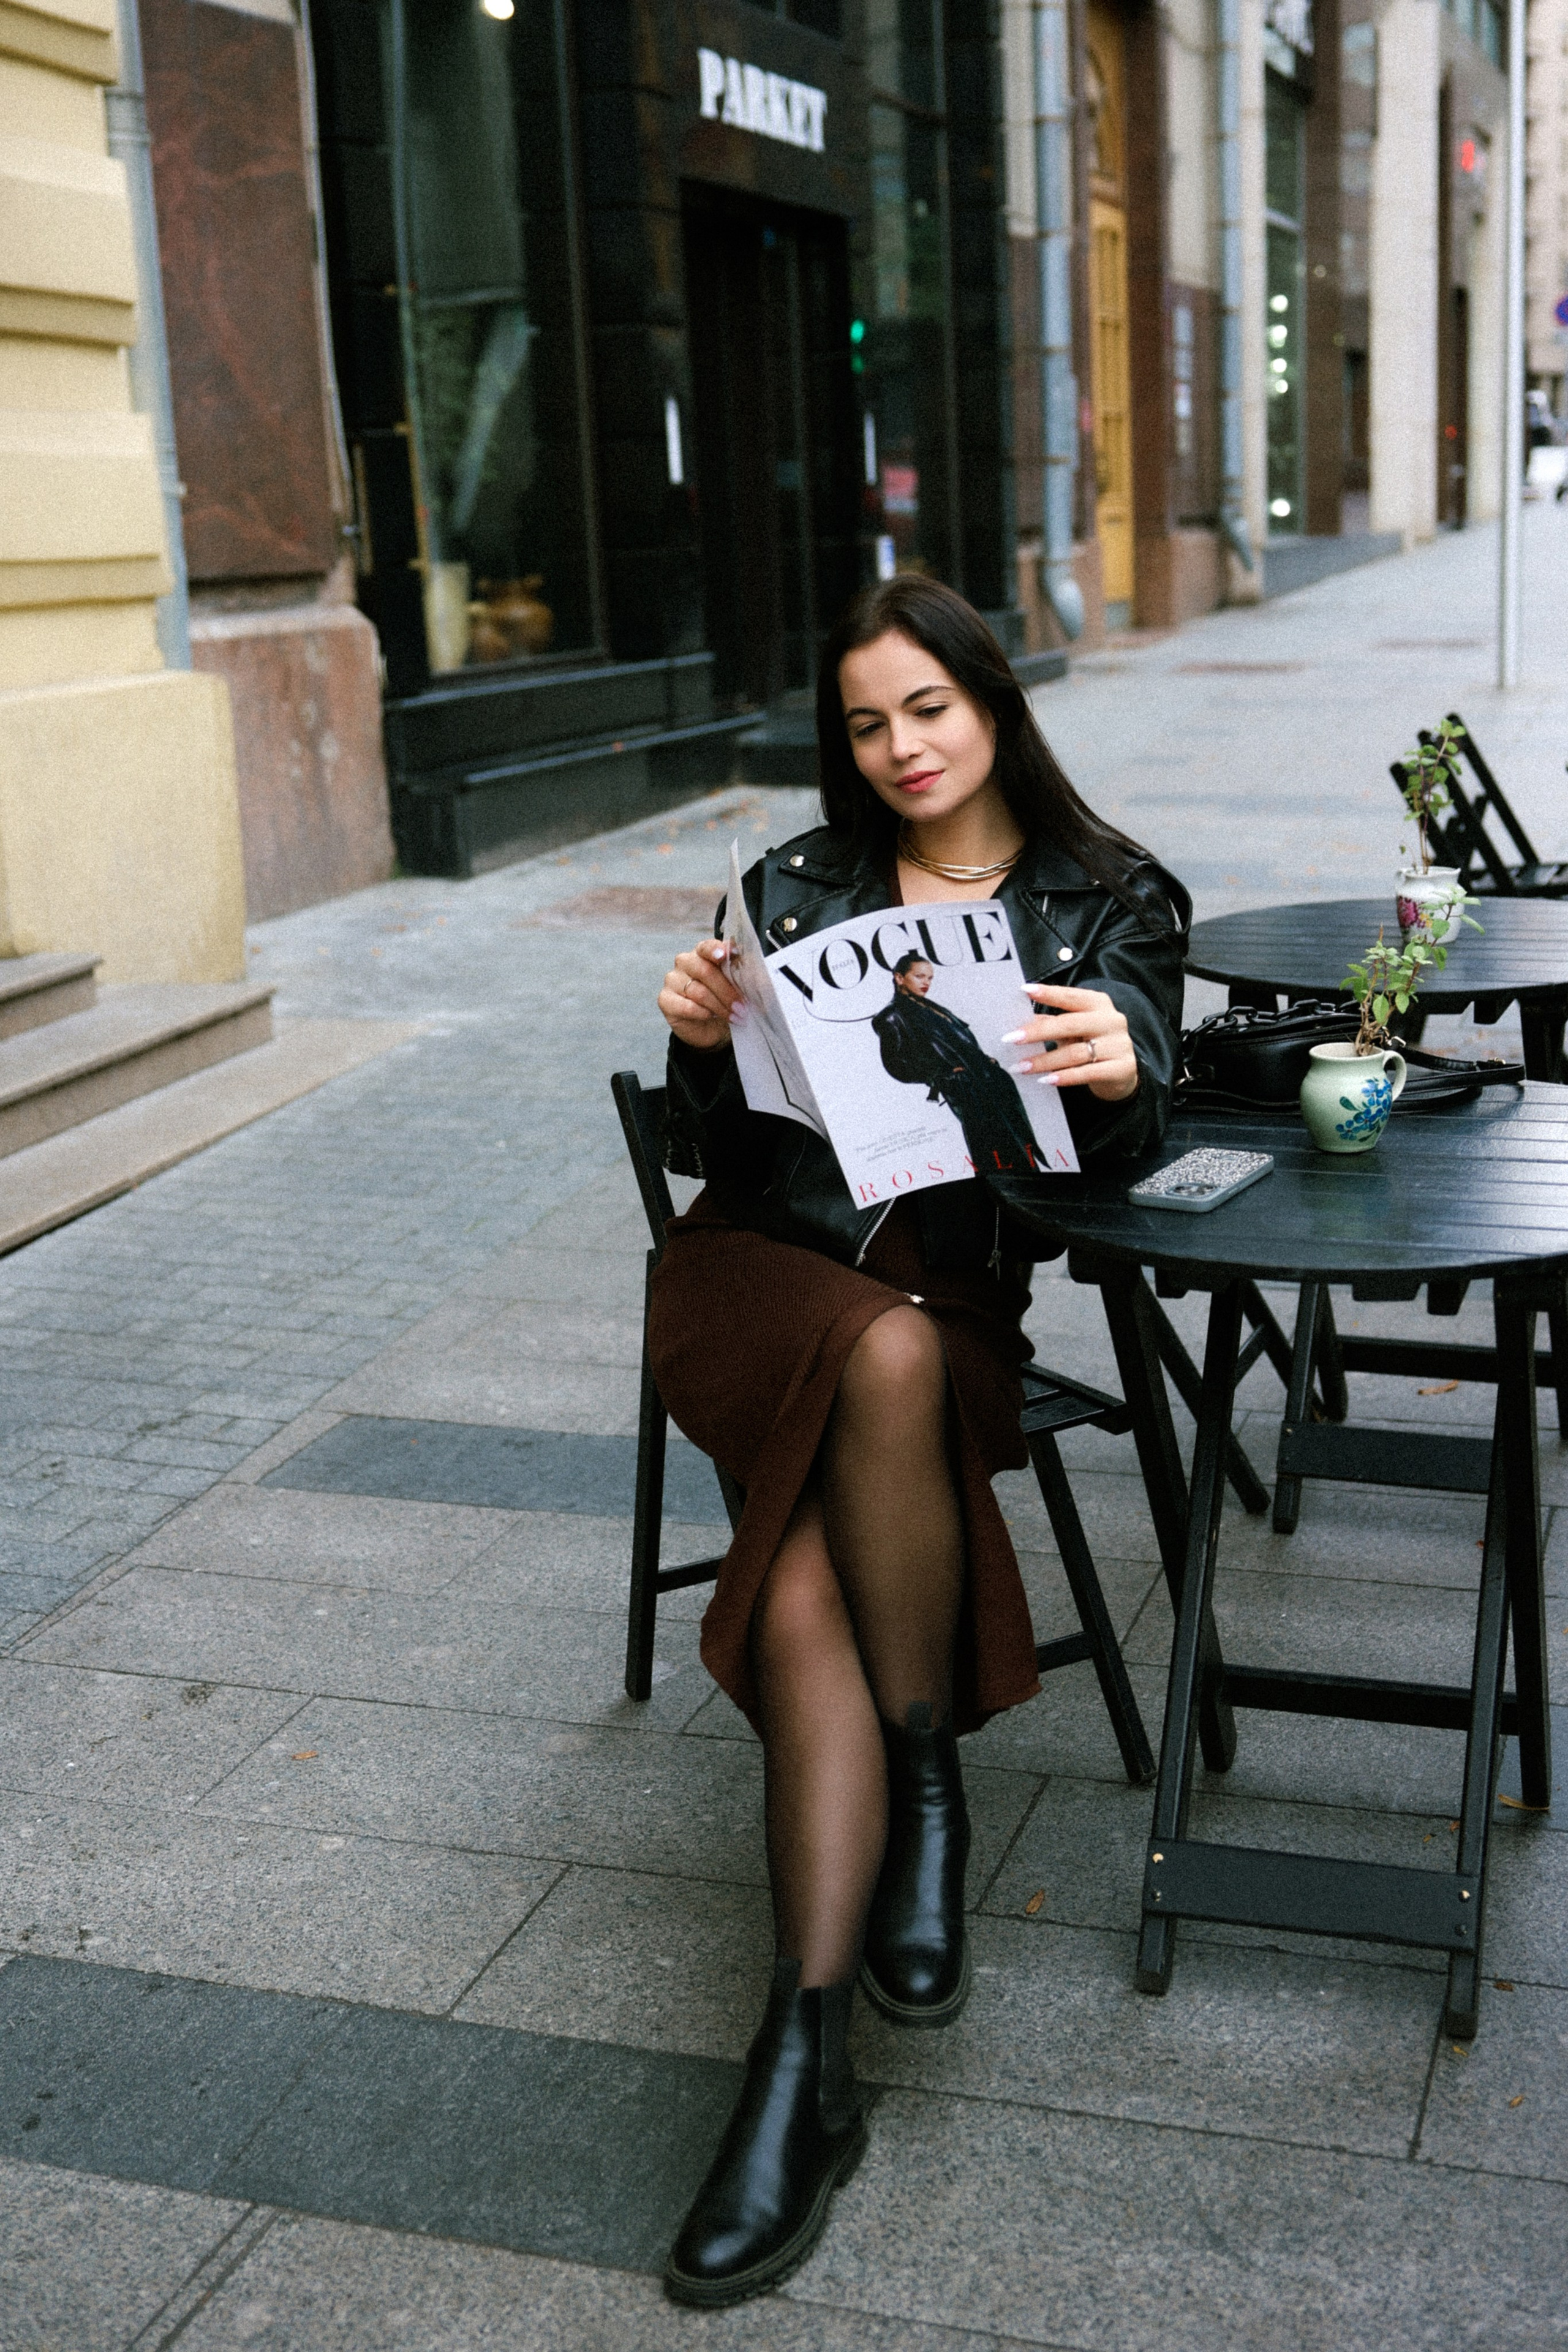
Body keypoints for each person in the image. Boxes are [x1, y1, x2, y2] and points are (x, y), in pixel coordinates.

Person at [649, 576, 1188, 2309]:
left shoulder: (1109, 900)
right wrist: (698, 1043)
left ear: (993, 699)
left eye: (929, 710)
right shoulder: (795, 881)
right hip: (751, 1278)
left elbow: (1126, 1170)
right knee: (860, 1354)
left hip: (944, 1322)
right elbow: (709, 1142)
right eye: (869, 722)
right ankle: (927, 1758)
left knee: (816, 1556)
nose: (899, 749)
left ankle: (801, 2069)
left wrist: (1123, 1070)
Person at [872, 949, 1044, 1175]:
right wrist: (940, 1073)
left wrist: (985, 1060)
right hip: (967, 1090)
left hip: (989, 1082)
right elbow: (895, 1064)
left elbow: (959, 1043)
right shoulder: (891, 1017)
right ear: (899, 978)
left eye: (930, 978)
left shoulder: (932, 1007)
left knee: (1019, 1145)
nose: (926, 983)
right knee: (995, 1154)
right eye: (920, 977)